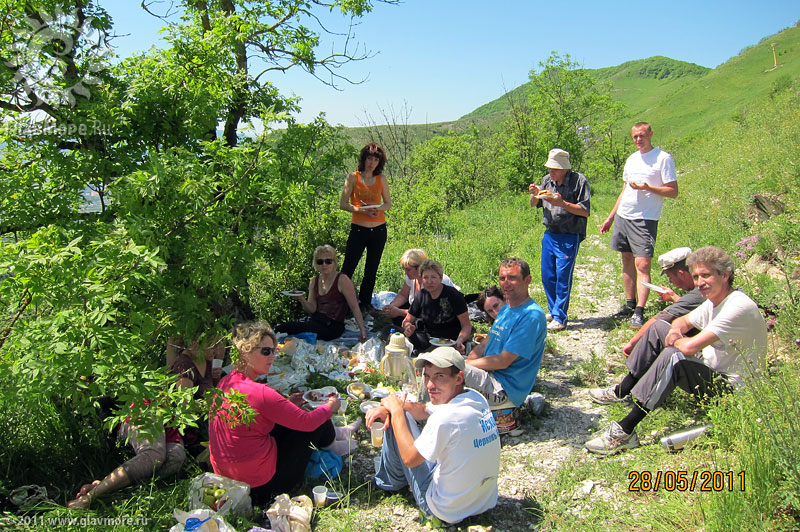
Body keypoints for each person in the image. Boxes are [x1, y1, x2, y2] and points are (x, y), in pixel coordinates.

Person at [585, 246, 767, 454]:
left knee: (675, 357)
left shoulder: (737, 307)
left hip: (733, 393)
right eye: (696, 276)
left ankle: (624, 432)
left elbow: (689, 346)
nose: (700, 282)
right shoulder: (715, 300)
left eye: (706, 275)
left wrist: (677, 341)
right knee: (659, 328)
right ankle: (624, 390)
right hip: (713, 371)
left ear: (725, 275)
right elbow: (681, 321)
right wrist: (674, 332)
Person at [209, 321, 358, 506]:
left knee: (298, 412)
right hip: (264, 486)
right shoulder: (260, 393)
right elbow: (307, 422)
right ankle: (334, 444)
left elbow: (259, 416)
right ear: (245, 352)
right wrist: (331, 407)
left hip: (230, 479)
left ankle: (338, 435)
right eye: (266, 351)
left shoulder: (227, 381)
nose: (272, 357)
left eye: (274, 351)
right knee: (314, 415)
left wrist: (288, 404)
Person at [67, 337, 224, 509]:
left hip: (169, 421)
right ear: (195, 344)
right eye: (212, 344)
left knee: (176, 457)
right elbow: (183, 409)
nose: (216, 350)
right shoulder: (184, 367)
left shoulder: (208, 363)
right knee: (154, 454)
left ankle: (107, 485)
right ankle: (91, 497)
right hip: (149, 411)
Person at [366, 347, 500, 525]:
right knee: (401, 416)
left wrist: (396, 411)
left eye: (439, 376)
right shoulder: (475, 398)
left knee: (398, 420)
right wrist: (390, 407)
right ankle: (391, 480)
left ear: (459, 378)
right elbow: (422, 410)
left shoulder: (446, 418)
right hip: (483, 502)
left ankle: (387, 483)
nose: (429, 385)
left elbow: (410, 459)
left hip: (444, 510)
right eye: (427, 376)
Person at [589, 247, 703, 405]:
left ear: (682, 274)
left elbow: (658, 319)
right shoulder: (705, 291)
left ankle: (623, 392)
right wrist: (675, 298)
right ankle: (632, 388)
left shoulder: (697, 295)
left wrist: (632, 343)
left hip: (708, 362)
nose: (670, 281)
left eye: (670, 276)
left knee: (658, 330)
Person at [599, 122, 678, 329]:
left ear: (651, 134)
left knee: (642, 264)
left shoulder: (663, 158)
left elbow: (673, 191)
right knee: (626, 260)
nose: (638, 140)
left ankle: (640, 311)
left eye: (642, 136)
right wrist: (611, 217)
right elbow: (624, 190)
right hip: (624, 216)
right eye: (635, 136)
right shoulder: (632, 159)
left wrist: (648, 187)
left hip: (645, 218)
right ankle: (629, 303)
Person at [463, 258, 547, 408]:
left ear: (527, 280)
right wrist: (468, 361)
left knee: (444, 370)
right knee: (439, 359)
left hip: (502, 389)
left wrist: (466, 365)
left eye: (512, 278)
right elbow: (484, 345)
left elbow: (503, 361)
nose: (506, 283)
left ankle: (421, 417)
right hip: (488, 374)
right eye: (502, 278)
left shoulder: (531, 316)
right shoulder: (507, 310)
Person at [528, 148, 591, 332]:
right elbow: (535, 203)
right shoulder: (547, 181)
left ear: (565, 168)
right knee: (548, 276)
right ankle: (553, 309)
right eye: (549, 168)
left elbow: (585, 211)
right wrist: (534, 193)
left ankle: (560, 317)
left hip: (570, 234)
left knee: (563, 276)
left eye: (555, 168)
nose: (551, 171)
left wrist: (562, 204)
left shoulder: (579, 181)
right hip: (550, 232)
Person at [277, 245, 368, 342]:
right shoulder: (314, 281)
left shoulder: (342, 279)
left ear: (334, 262)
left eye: (328, 261)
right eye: (320, 262)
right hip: (315, 321)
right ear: (316, 264)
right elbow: (312, 309)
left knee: (292, 328)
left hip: (333, 326)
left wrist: (362, 330)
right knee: (284, 327)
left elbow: (354, 306)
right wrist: (301, 299)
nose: (324, 265)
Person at [339, 143, 391, 310]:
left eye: (376, 159)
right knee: (348, 267)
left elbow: (388, 204)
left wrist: (378, 209)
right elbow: (343, 204)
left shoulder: (381, 179)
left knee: (371, 269)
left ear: (379, 162)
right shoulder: (353, 177)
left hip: (379, 229)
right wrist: (361, 210)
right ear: (364, 158)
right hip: (359, 229)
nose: (372, 162)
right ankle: (341, 302)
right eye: (369, 158)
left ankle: (365, 304)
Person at [401, 260, 471, 354]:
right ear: (421, 279)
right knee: (390, 330)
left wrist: (460, 340)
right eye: (425, 277)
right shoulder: (422, 295)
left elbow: (466, 325)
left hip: (450, 341)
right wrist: (408, 327)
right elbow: (407, 320)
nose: (429, 281)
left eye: (433, 277)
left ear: (441, 278)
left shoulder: (453, 295)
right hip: (428, 339)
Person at [378, 248, 457, 325]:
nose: (405, 273)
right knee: (397, 316)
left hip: (437, 313)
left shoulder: (431, 283)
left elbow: (429, 311)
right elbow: (403, 295)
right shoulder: (411, 278)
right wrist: (391, 307)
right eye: (404, 269)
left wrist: (399, 312)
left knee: (418, 322)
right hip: (418, 310)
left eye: (408, 270)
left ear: (419, 268)